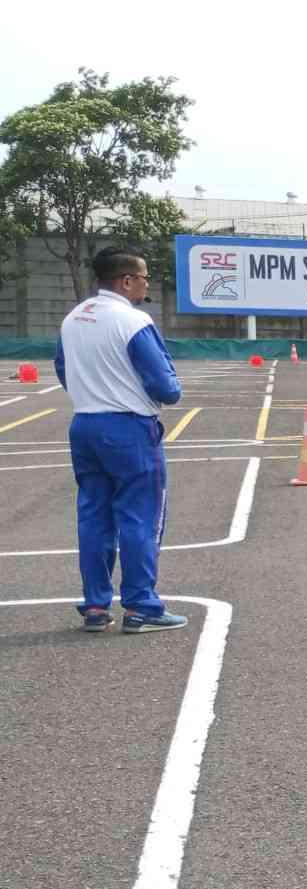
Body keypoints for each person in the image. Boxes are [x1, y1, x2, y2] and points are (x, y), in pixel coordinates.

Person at [53, 246, 186, 634]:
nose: (146, 286)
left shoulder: (73, 318)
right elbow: (166, 386)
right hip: (129, 428)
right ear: (126, 281)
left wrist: (91, 393)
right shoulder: (133, 320)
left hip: (85, 424)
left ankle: (96, 605)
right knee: (139, 516)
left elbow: (62, 367)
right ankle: (141, 606)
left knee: (93, 516)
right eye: (144, 278)